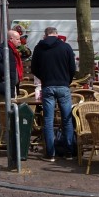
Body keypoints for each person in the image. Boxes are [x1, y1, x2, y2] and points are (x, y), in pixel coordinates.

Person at [31, 25, 77, 161]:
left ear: (45, 35)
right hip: (63, 86)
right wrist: (66, 80)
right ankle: (69, 151)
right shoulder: (66, 47)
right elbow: (72, 68)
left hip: (48, 86)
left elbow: (34, 68)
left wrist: (44, 78)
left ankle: (50, 154)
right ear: (57, 34)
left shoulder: (39, 48)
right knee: (67, 119)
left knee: (48, 121)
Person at [0, 29, 22, 100]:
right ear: (11, 39)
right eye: (17, 39)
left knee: (11, 109)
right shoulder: (3, 49)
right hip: (4, 88)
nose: (19, 41)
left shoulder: (12, 50)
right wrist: (5, 71)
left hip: (11, 86)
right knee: (5, 109)